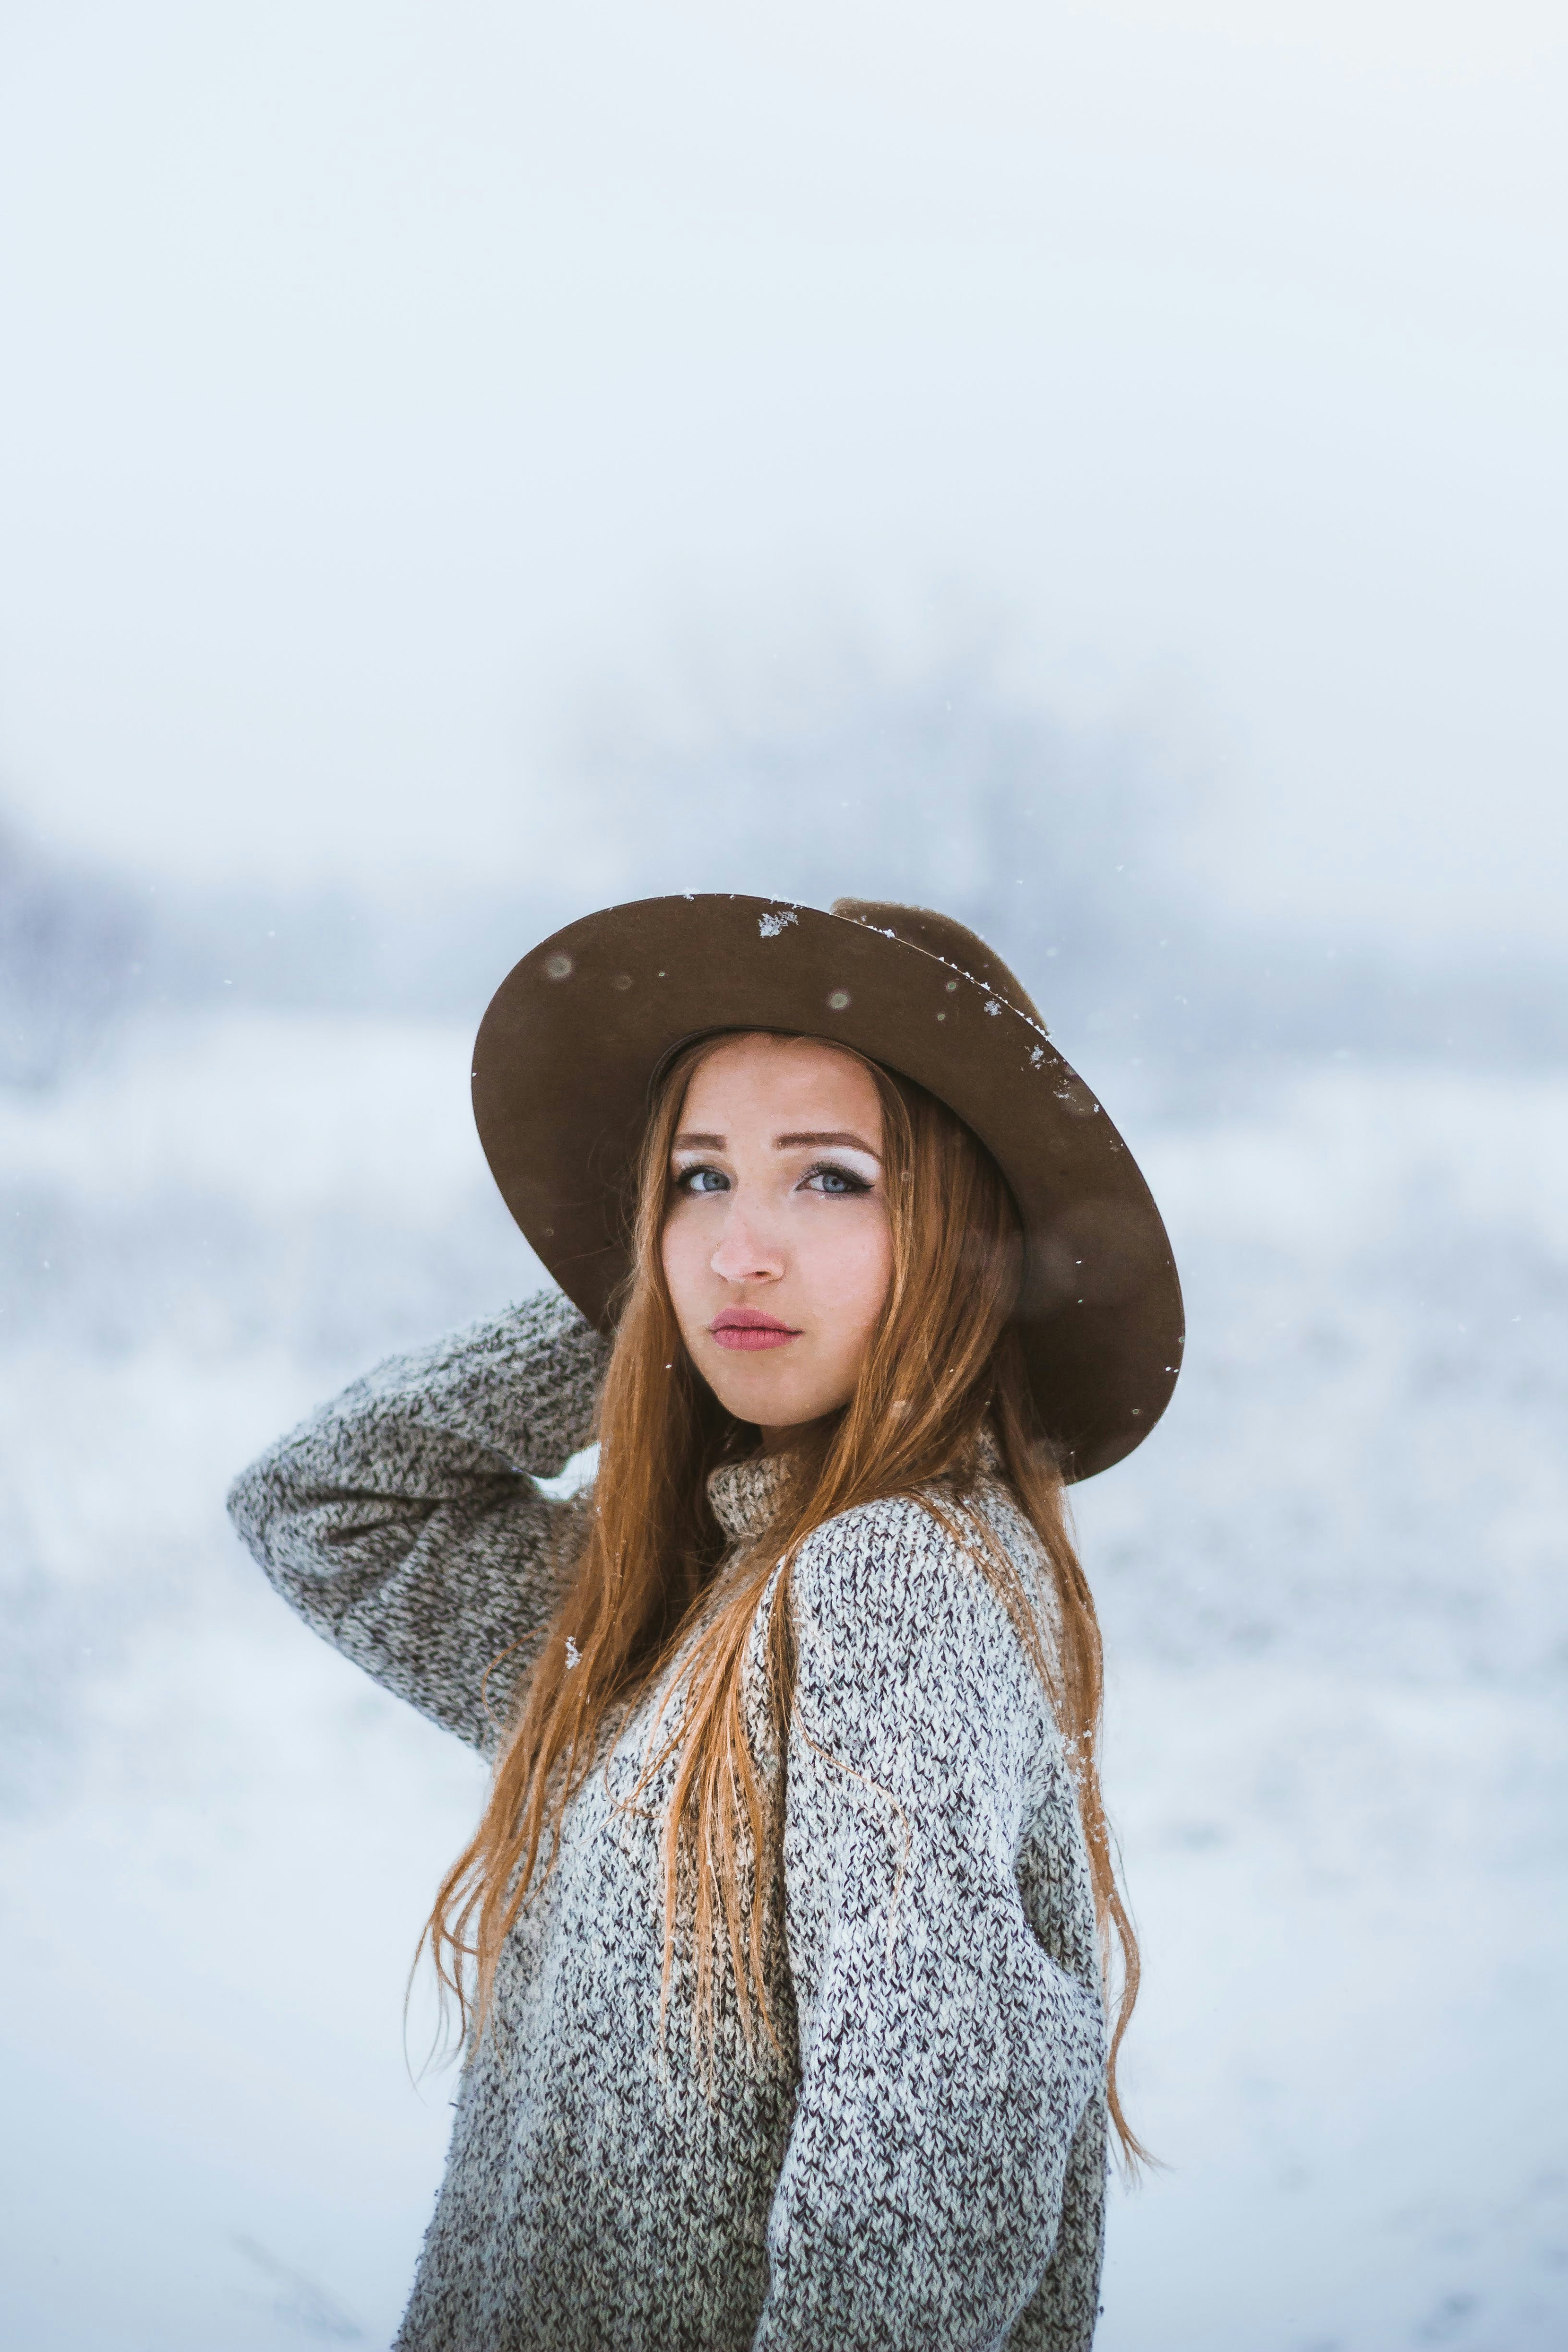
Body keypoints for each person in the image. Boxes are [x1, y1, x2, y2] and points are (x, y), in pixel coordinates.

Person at [228, 893, 1183, 2352]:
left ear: (967, 1234)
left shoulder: (885, 1584)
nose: (740, 1247)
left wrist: (687, 1283)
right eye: (696, 1179)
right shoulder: (683, 1594)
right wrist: (636, 1307)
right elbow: (326, 1505)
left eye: (831, 1181)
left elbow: (923, 2187)